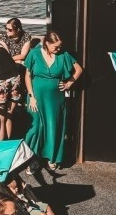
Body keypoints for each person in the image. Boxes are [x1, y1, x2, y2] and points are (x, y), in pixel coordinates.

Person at [24, 29, 82, 173]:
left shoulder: (64, 55)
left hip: (55, 99)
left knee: (53, 126)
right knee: (35, 128)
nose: (58, 49)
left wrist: (69, 83)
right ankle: (32, 158)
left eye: (60, 46)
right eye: (55, 46)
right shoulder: (34, 54)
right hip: (36, 97)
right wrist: (31, 96)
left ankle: (52, 157)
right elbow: (27, 76)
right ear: (47, 43)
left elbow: (79, 69)